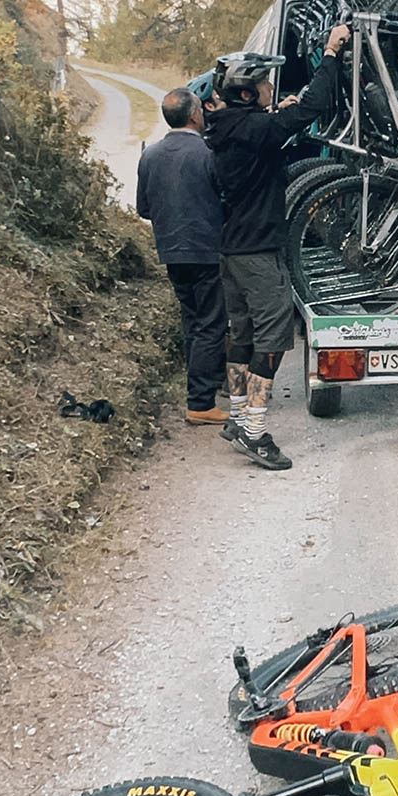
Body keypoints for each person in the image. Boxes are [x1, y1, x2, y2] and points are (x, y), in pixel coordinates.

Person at [205, 27, 351, 470]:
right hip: (257, 252)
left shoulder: (230, 127)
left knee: (242, 336)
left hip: (231, 251)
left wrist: (278, 116)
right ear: (248, 94)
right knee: (271, 342)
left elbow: (270, 133)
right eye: (266, 85)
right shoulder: (253, 128)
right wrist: (331, 52)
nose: (272, 89)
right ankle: (254, 432)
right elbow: (316, 105)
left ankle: (235, 417)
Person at [136, 87, 229, 427]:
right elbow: (226, 198)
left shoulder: (150, 155)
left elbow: (144, 209)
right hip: (205, 249)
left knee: (193, 320)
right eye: (201, 111)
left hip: (171, 251)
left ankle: (203, 383)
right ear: (193, 115)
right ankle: (201, 402)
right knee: (212, 324)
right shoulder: (208, 152)